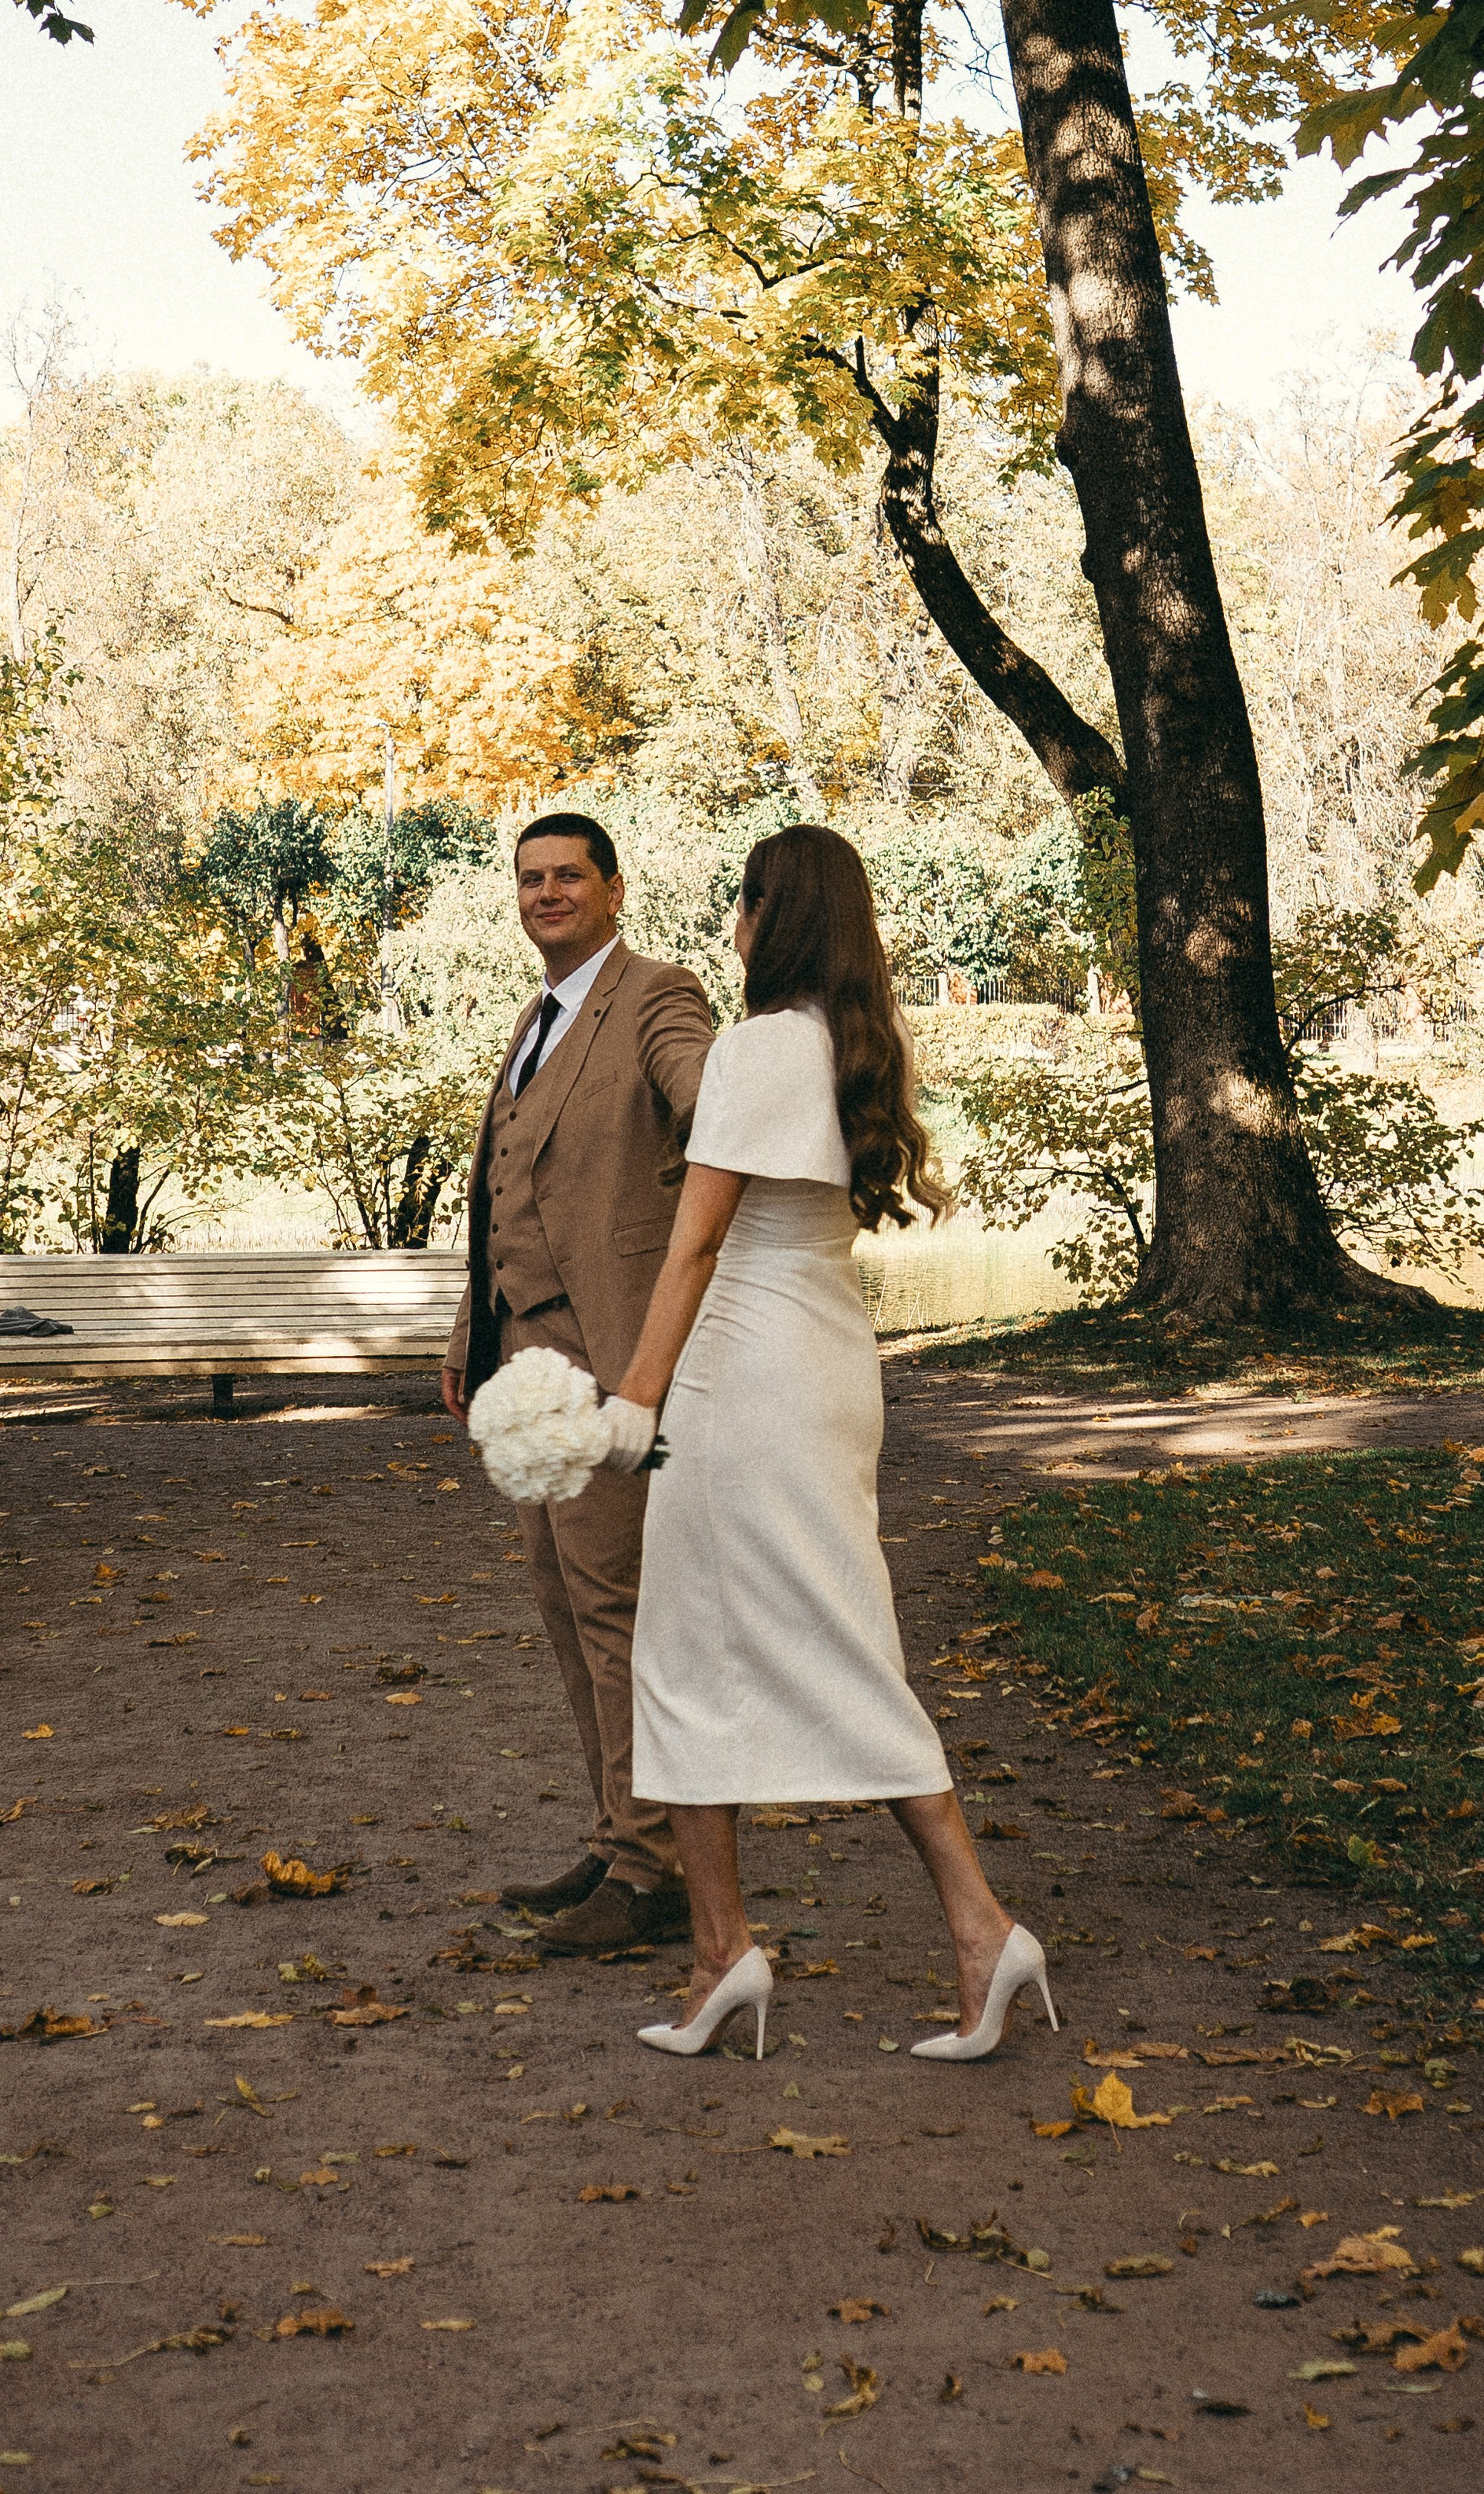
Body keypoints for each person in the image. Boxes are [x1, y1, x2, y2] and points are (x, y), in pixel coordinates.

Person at [595, 824, 1056, 2061]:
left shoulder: (753, 1051)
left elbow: (696, 1246)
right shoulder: (852, 1050)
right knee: (719, 1642)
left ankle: (972, 1927)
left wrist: (633, 1401)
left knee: (779, 1647)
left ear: (770, 918)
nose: (731, 926)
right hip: (822, 1359)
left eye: (742, 904)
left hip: (743, 1378)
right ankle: (722, 1953)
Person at [443, 811, 714, 1955]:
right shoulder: (534, 1020)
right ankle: (618, 1840)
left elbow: (707, 1099)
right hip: (532, 1370)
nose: (547, 893)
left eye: (568, 877)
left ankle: (657, 1876)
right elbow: (510, 1198)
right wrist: (472, 1327)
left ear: (613, 890)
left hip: (614, 1367)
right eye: (531, 879)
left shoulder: (656, 994)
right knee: (567, 1610)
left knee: (619, 1617)